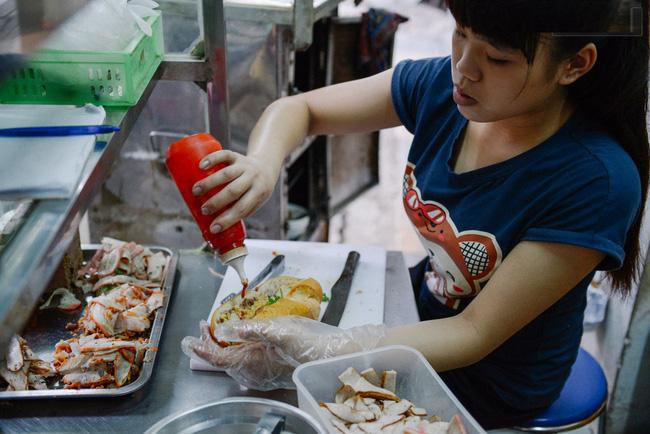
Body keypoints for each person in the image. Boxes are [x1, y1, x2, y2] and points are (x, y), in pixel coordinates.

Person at [182, 0, 649, 428]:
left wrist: (327, 350)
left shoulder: (596, 181)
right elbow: (300, 108)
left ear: (574, 64)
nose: (464, 69)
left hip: (488, 380)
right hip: (421, 316)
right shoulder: (443, 90)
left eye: (498, 58)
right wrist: (263, 165)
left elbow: (474, 332)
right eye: (461, 33)